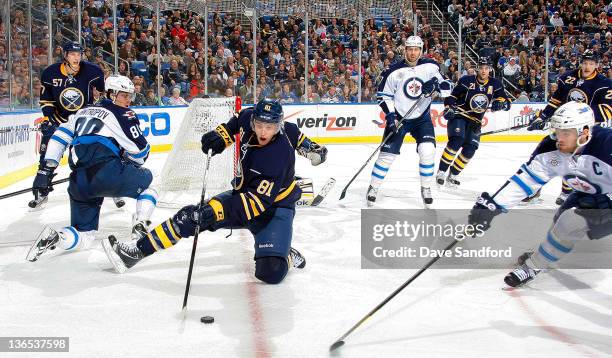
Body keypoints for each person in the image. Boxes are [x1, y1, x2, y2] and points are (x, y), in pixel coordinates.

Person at [102, 99, 329, 285]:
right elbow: (235, 126)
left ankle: (287, 254)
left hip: (274, 209)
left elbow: (254, 204)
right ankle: (135, 252)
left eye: (269, 128)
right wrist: (220, 136)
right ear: (254, 119)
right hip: (243, 193)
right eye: (259, 124)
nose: (262, 131)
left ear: (278, 127)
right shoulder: (248, 118)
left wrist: (217, 212)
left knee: (270, 273)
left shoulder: (276, 156)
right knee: (189, 217)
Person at [468, 102, 611, 287]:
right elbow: (525, 181)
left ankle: (533, 266)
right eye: (557, 131)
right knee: (560, 222)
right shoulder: (550, 149)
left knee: (570, 221)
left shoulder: (607, 144)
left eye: (565, 133)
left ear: (584, 132)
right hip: (588, 194)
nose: (559, 138)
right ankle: (543, 257)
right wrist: (493, 205)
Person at [26, 75, 158, 262]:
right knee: (149, 185)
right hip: (109, 173)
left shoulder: (82, 111)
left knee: (85, 236)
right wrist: (126, 158)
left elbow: (59, 138)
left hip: (79, 181)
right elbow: (140, 153)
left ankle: (58, 237)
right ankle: (140, 226)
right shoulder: (123, 114)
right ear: (111, 94)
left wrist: (46, 170)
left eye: (131, 96)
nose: (128, 100)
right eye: (124, 95)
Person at [367, 35, 453, 206]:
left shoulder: (431, 66)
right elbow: (383, 96)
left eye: (416, 49)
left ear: (421, 51)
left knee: (427, 151)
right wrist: (390, 117)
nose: (413, 53)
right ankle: (373, 187)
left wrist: (436, 86)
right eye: (410, 49)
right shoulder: (392, 70)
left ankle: (426, 188)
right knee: (387, 155)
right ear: (405, 50)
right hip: (399, 117)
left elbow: (448, 88)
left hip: (422, 118)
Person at [32, 41, 115, 209]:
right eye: (73, 54)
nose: (76, 58)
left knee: (96, 153)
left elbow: (103, 92)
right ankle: (41, 190)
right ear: (66, 56)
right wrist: (49, 118)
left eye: (79, 54)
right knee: (48, 152)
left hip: (84, 120)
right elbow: (46, 100)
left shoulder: (92, 71)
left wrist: (100, 106)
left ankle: (111, 188)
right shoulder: (50, 73)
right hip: (60, 119)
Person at [527, 50, 612, 205]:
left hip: (585, 132)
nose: (587, 66)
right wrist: (543, 117)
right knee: (542, 153)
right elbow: (555, 101)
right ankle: (531, 188)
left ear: (597, 65)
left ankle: (567, 191)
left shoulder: (604, 84)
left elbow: (607, 111)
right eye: (585, 63)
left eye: (591, 63)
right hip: (563, 129)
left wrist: (578, 115)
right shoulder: (567, 77)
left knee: (574, 163)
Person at [436, 57, 511, 187]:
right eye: (481, 68)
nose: (483, 71)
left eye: (486, 68)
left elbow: (507, 102)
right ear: (477, 69)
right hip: (459, 115)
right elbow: (451, 97)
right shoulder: (466, 80)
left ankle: (453, 174)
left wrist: (501, 103)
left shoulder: (495, 84)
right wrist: (449, 108)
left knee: (470, 149)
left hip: (476, 121)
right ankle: (441, 171)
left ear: (490, 70)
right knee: (457, 140)